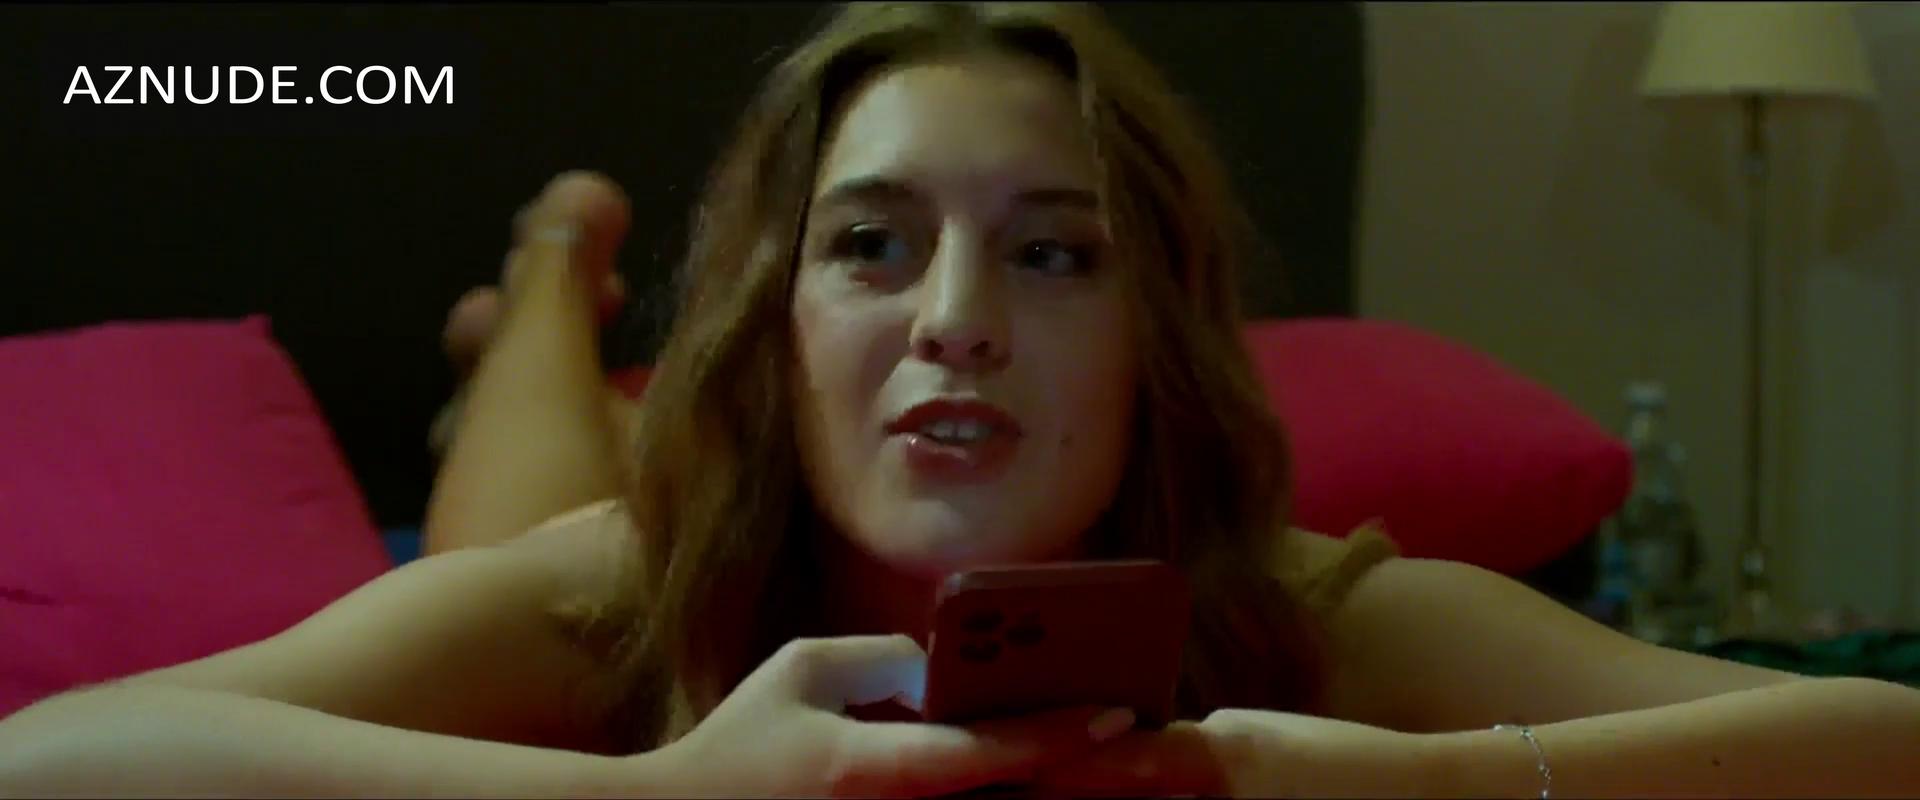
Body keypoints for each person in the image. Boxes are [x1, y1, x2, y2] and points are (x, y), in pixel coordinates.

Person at [4, 3, 1918, 797]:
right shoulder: (624, 588)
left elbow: (1881, 744)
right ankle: (552, 267)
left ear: (1160, 334)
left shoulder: (1300, 614)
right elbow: (57, 758)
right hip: (622, 558)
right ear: (770, 318)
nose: (957, 322)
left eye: (1055, 255)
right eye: (870, 244)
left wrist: (1413, 781)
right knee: (515, 504)